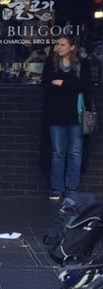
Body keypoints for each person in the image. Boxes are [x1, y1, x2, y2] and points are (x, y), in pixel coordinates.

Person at [43, 35, 92, 201]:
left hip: (75, 114)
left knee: (75, 153)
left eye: (63, 45)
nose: (59, 47)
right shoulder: (51, 65)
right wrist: (70, 85)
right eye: (58, 44)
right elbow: (46, 86)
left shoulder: (82, 65)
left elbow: (84, 86)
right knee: (57, 152)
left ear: (72, 47)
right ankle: (57, 188)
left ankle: (71, 188)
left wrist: (62, 83)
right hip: (55, 114)